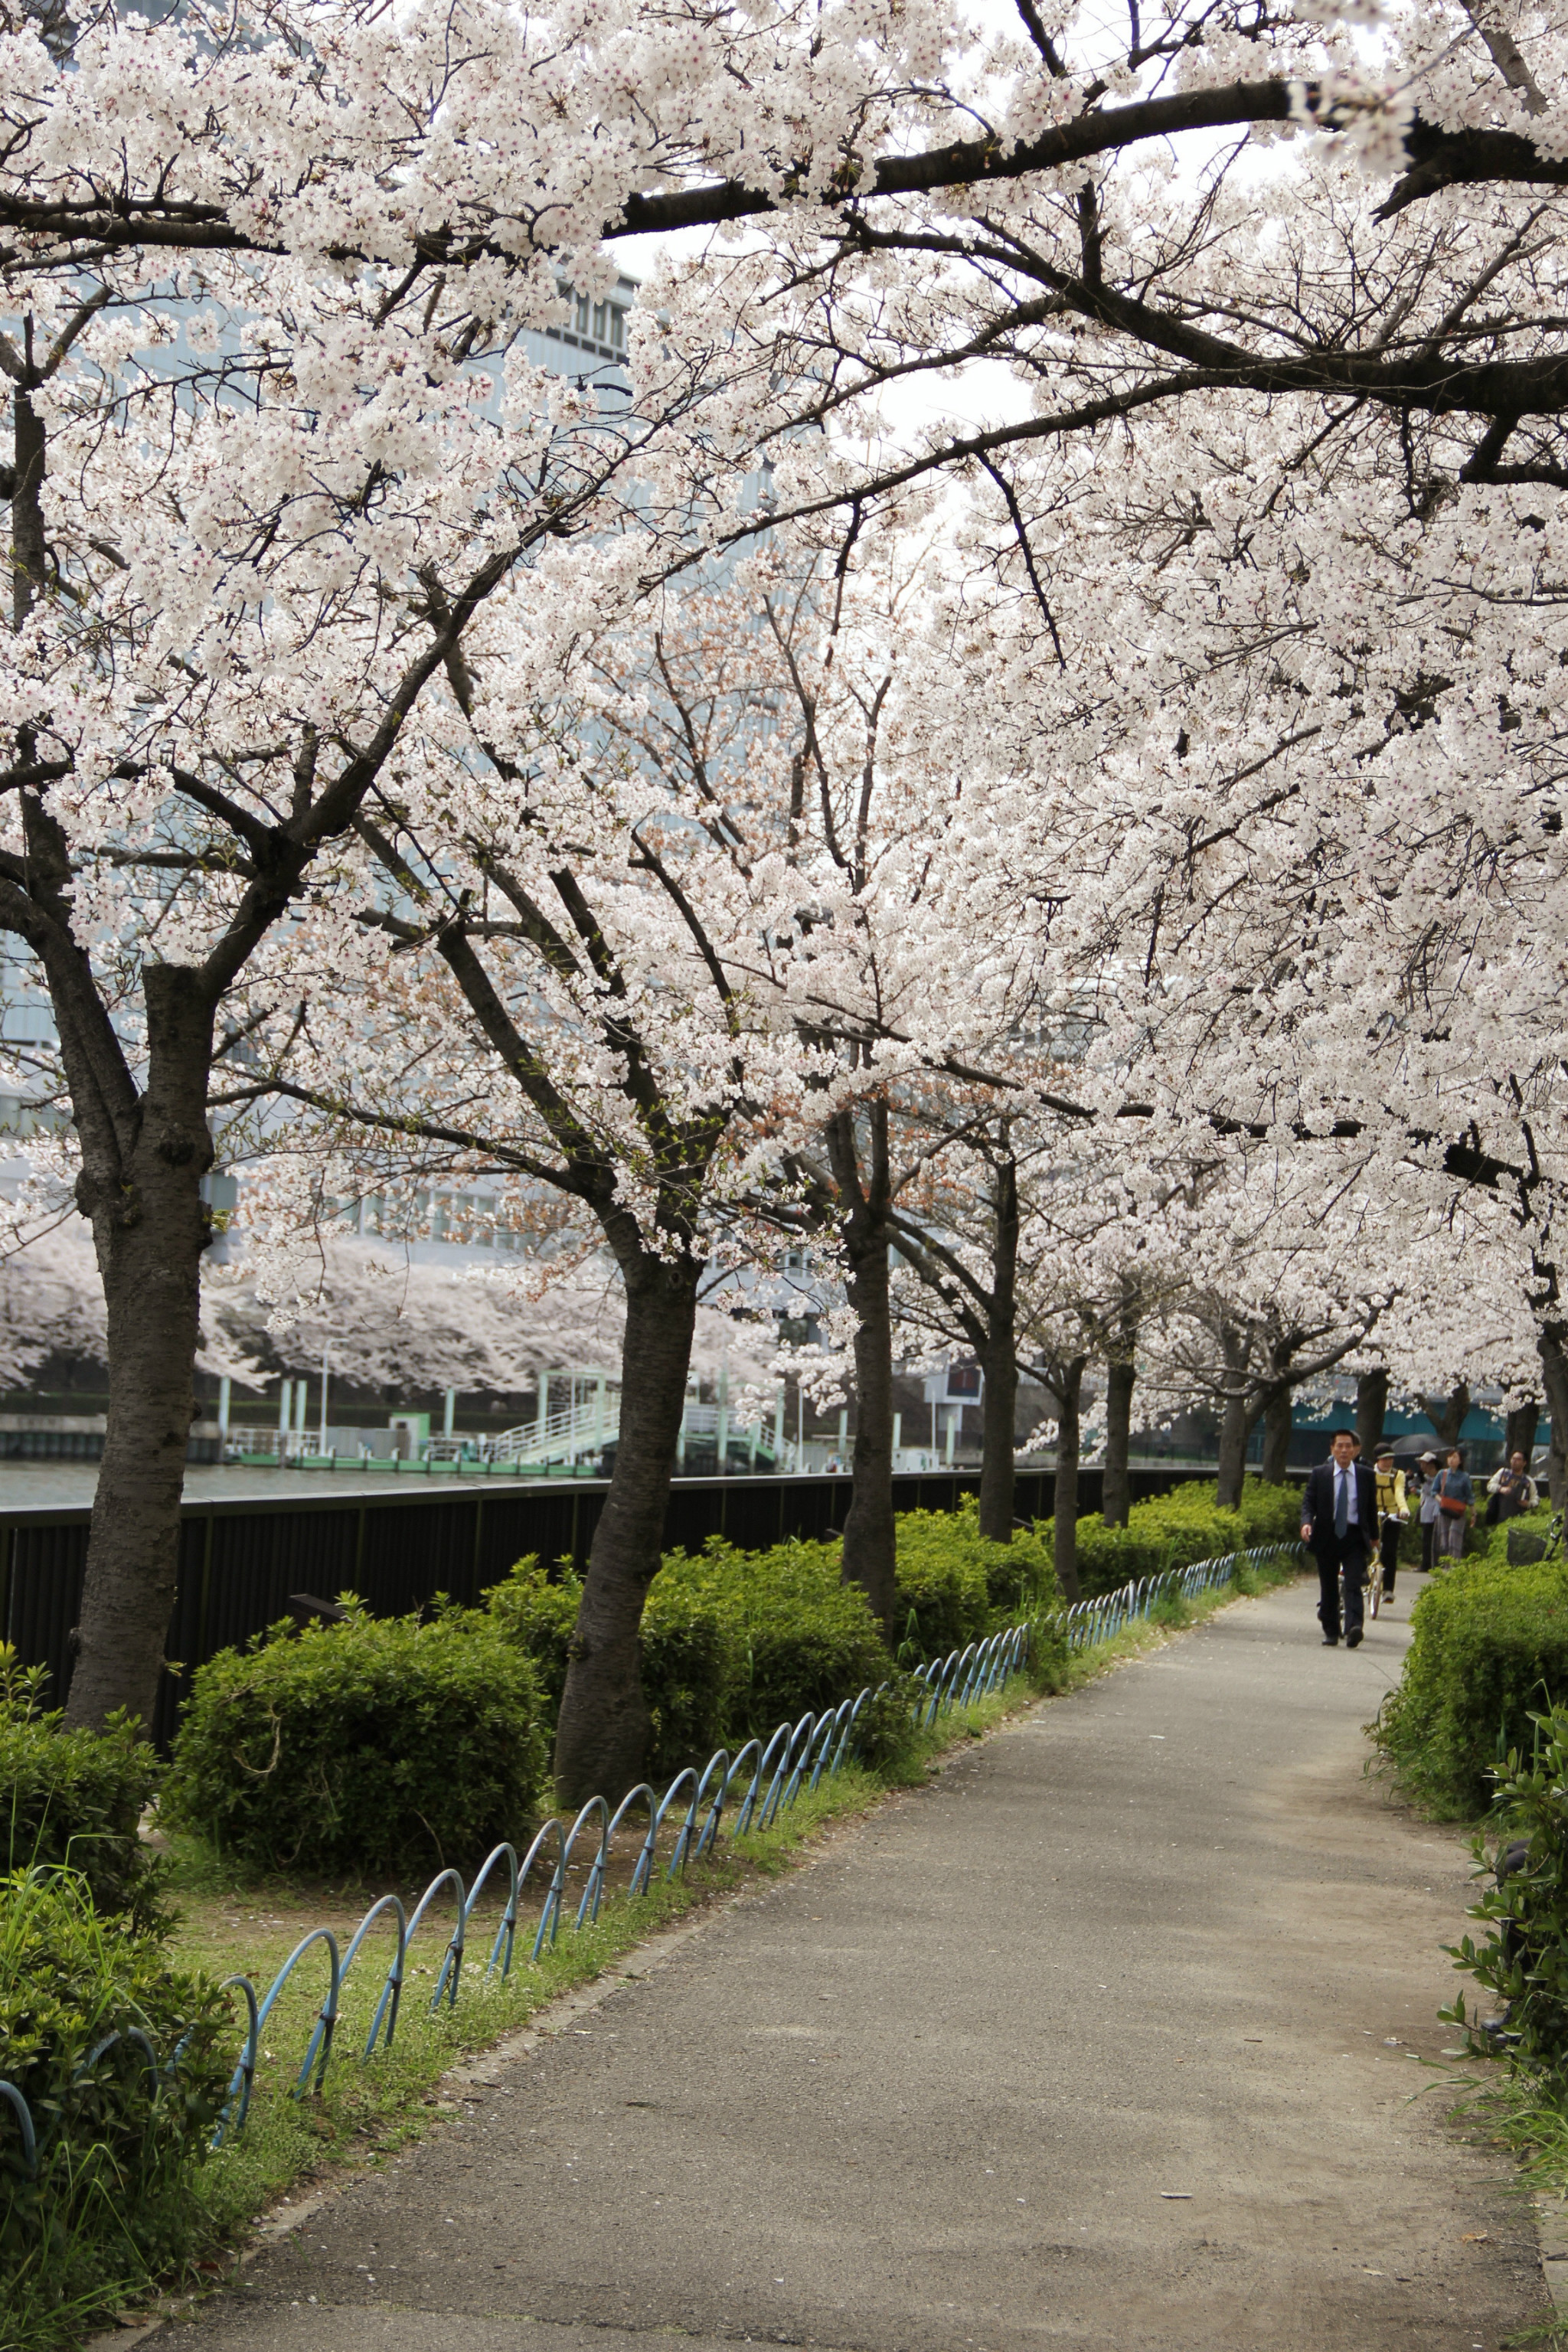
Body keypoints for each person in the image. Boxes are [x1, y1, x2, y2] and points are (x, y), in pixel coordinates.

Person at [1300, 1429, 1380, 1648]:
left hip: (1353, 1536)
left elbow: (1371, 1508)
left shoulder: (1366, 1476)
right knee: (1328, 1586)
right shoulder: (1320, 1474)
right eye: (1340, 1446)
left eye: (1348, 1446)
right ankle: (1331, 1630)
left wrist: (1374, 1537)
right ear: (1332, 1449)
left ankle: (1354, 1627)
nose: (1344, 1450)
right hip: (1327, 1535)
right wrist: (1306, 1523)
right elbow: (1309, 1503)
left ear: (1356, 1450)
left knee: (1354, 1582)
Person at [1373, 1447, 1408, 1599]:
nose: (1388, 1462)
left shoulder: (1398, 1475)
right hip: (1372, 1514)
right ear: (1377, 1460)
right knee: (1362, 1544)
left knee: (1389, 1552)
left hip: (1392, 1515)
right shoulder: (1370, 1474)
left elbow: (1399, 1492)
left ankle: (1388, 1589)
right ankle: (1362, 1575)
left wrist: (1404, 1509)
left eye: (1390, 1459)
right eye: (1384, 1459)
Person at [1432, 1446, 1473, 1559]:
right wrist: (1441, 1501)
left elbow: (1469, 1496)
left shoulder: (1465, 1477)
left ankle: (1455, 1566)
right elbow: (1434, 1491)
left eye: (1455, 1457)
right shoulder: (1442, 1474)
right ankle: (1445, 1565)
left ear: (1460, 1461)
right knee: (1444, 1539)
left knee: (1454, 1538)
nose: (1451, 1459)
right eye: (1450, 1456)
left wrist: (1473, 1513)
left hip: (1458, 1512)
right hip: (1444, 1510)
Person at [1485, 1450, 1539, 1523]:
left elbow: (1535, 1499)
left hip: (1518, 1519)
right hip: (1498, 1516)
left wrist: (1528, 1504)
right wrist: (1500, 1488)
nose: (1514, 1461)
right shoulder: (1503, 1473)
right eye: (1513, 1458)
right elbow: (1490, 1486)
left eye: (1518, 1459)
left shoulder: (1528, 1481)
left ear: (1524, 1463)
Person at [1414, 1450, 1441, 1572]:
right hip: (1425, 1509)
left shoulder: (1439, 1477)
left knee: (1433, 1539)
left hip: (1435, 1511)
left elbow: (1433, 1492)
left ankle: (1432, 1563)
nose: (1422, 1466)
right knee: (1425, 1538)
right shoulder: (1422, 1476)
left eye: (1424, 1463)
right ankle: (1426, 1563)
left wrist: (1425, 1483)